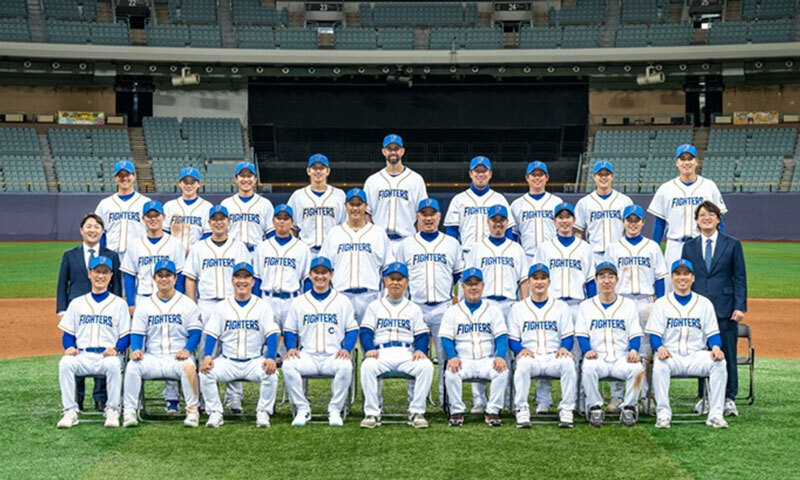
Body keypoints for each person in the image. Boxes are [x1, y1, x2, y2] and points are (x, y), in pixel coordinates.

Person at [681, 200, 747, 417]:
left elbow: (739, 277)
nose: (706, 218)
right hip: (698, 310)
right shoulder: (689, 247)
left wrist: (740, 306)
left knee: (727, 354)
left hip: (725, 309)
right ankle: (705, 396)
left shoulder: (732, 244)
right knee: (703, 355)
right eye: (702, 215)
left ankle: (728, 398)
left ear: (718, 219)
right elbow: (685, 279)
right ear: (697, 221)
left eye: (711, 215)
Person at [183, 205, 251, 413]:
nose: (219, 222)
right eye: (215, 219)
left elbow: (247, 277)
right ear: (209, 223)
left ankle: (234, 397)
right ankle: (206, 398)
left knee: (233, 349)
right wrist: (192, 305)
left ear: (229, 222)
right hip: (207, 302)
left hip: (233, 302)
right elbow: (190, 278)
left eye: (222, 219)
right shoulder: (199, 247)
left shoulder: (239, 247)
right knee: (206, 350)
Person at [395, 198, 464, 404]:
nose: (428, 218)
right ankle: (415, 401)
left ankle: (446, 401)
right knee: (414, 356)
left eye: (432, 214)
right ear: (417, 217)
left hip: (443, 306)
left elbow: (457, 274)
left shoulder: (451, 243)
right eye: (424, 214)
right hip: (415, 307)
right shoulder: (406, 245)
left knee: (445, 357)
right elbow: (399, 276)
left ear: (439, 217)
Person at [647, 259, 729, 429]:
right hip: (671, 355)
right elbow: (654, 335)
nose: (682, 278)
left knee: (720, 363)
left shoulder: (704, 303)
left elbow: (713, 334)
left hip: (696, 356)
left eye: (686, 274)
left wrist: (716, 347)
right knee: (659, 364)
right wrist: (659, 348)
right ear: (672, 278)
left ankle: (715, 414)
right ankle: (663, 414)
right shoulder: (661, 303)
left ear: (693, 278)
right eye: (678, 274)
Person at [122, 259, 202, 428]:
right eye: (160, 275)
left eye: (168, 275)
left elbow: (195, 332)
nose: (164, 279)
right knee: (132, 366)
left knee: (189, 366)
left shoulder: (187, 304)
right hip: (153, 357)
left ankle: (192, 411)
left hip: (178, 356)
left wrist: (188, 349)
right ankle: (129, 411)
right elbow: (137, 333)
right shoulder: (145, 305)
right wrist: (136, 349)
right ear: (154, 278)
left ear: (175, 278)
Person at [464, 204, 528, 413]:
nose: (498, 224)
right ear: (488, 222)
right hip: (484, 303)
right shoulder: (477, 248)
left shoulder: (516, 249)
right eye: (494, 220)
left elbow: (523, 280)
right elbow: (468, 280)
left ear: (507, 223)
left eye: (502, 220)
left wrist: (524, 305)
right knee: (481, 349)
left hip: (509, 303)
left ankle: (506, 398)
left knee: (507, 351)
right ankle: (479, 400)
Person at [199, 262, 280, 428]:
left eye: (246, 277)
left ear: (253, 281)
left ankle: (263, 412)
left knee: (271, 374)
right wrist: (207, 356)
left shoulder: (262, 306)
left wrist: (271, 357)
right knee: (206, 373)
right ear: (232, 280)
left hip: (254, 361)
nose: (242, 281)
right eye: (238, 277)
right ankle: (215, 412)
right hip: (228, 361)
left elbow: (272, 333)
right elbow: (212, 333)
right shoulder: (222, 306)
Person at [604, 204, 668, 412]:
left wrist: (660, 303)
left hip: (646, 302)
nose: (633, 224)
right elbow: (607, 277)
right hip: (620, 301)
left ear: (643, 222)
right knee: (618, 348)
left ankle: (645, 394)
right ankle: (616, 396)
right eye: (629, 220)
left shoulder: (652, 247)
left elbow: (660, 277)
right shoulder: (613, 248)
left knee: (646, 352)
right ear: (623, 222)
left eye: (636, 220)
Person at [533, 202, 596, 413]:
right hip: (551, 305)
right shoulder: (545, 248)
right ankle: (543, 399)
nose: (564, 221)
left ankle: (578, 399)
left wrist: (592, 306)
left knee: (577, 354)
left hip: (578, 304)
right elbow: (537, 278)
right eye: (560, 217)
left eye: (568, 217)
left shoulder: (585, 248)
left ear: (574, 220)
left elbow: (591, 281)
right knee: (546, 350)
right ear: (555, 221)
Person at [56, 213, 122, 412]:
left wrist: (116, 307)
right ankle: (77, 398)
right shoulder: (70, 255)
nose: (92, 230)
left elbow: (116, 284)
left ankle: (101, 398)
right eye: (89, 226)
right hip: (77, 310)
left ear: (102, 231)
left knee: (103, 347)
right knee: (76, 351)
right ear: (81, 230)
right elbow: (62, 283)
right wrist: (62, 309)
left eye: (96, 227)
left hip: (105, 308)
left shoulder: (111, 255)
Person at [282, 257, 358, 427]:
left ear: (331, 275)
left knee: (346, 366)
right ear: (310, 275)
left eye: (324, 272)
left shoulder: (342, 301)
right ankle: (302, 409)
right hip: (307, 355)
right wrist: (291, 347)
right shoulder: (299, 302)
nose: (320, 276)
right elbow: (290, 329)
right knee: (288, 365)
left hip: (333, 355)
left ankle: (335, 410)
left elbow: (352, 329)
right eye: (316, 272)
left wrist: (346, 348)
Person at [57, 256, 130, 429]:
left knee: (113, 364)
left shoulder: (119, 304)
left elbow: (126, 335)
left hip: (107, 356)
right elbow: (68, 333)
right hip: (83, 355)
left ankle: (112, 410)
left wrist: (117, 349)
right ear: (89, 274)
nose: (100, 276)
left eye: (105, 272)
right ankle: (70, 411)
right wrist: (69, 347)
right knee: (65, 363)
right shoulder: (77, 303)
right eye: (97, 271)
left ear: (111, 276)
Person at [359, 262, 434, 429]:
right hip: (381, 353)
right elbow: (365, 331)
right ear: (385, 281)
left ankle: (416, 411)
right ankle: (372, 412)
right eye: (392, 279)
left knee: (426, 366)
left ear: (406, 282)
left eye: (399, 279)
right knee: (367, 366)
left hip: (406, 353)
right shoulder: (374, 306)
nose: (395, 283)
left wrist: (420, 350)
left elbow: (422, 334)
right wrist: (369, 348)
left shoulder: (413, 308)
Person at [506, 263, 576, 428]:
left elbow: (568, 336)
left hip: (553, 356)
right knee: (522, 365)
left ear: (549, 282)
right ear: (529, 282)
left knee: (568, 364)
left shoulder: (561, 307)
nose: (539, 282)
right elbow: (513, 338)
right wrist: (520, 350)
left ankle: (567, 409)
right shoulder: (518, 308)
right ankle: (522, 409)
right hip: (531, 357)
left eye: (543, 278)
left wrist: (565, 347)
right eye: (535, 278)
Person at [648, 144, 727, 289]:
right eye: (682, 159)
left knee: (703, 287)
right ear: (677, 162)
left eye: (690, 158)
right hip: (675, 245)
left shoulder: (709, 186)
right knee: (671, 288)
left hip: (701, 243)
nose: (686, 162)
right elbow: (659, 223)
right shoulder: (666, 189)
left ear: (696, 161)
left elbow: (719, 221)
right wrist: (654, 250)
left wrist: (721, 246)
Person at [576, 262, 644, 427]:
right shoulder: (586, 306)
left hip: (622, 357)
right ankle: (594, 407)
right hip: (598, 356)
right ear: (596, 280)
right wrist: (587, 350)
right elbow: (581, 334)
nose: (606, 281)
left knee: (637, 369)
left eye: (610, 277)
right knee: (588, 367)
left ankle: (629, 407)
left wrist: (634, 350)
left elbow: (635, 333)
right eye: (602, 277)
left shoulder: (628, 305)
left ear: (617, 280)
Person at [440, 268, 509, 427]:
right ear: (462, 287)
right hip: (463, 360)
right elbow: (446, 338)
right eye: (469, 284)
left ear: (483, 286)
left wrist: (500, 356)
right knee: (451, 372)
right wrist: (452, 356)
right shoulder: (452, 311)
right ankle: (457, 411)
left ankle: (493, 411)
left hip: (487, 359)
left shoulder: (493, 310)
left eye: (476, 284)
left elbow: (501, 336)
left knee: (502, 371)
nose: (473, 287)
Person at [319, 188, 394, 324]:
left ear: (365, 206)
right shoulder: (334, 233)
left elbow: (387, 268)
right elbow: (324, 266)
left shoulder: (378, 233)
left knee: (370, 335)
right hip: (341, 295)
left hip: (370, 296)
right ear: (345, 206)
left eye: (359, 204)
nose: (355, 208)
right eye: (352, 204)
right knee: (340, 336)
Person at [363, 134, 428, 256]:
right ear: (384, 151)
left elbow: (422, 213)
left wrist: (419, 241)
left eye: (396, 148)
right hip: (381, 241)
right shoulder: (372, 181)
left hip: (407, 240)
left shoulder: (416, 179)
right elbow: (366, 214)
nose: (393, 152)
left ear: (402, 151)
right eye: (389, 149)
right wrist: (372, 237)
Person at [252, 204, 312, 330]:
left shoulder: (302, 248)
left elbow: (307, 279)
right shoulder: (262, 247)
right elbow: (256, 279)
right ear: (273, 221)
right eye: (279, 218)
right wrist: (256, 303)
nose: (282, 221)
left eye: (286, 218)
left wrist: (307, 304)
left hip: (292, 300)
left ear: (292, 222)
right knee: (267, 338)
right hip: (267, 299)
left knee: (293, 338)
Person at [444, 156, 515, 255]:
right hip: (466, 253)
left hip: (493, 255)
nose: (481, 174)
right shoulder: (459, 199)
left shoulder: (499, 199)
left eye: (484, 171)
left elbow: (508, 231)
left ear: (490, 174)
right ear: (470, 173)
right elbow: (451, 232)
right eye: (477, 171)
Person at [287, 154, 346, 257]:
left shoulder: (339, 195)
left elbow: (345, 226)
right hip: (306, 251)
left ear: (328, 171)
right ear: (308, 171)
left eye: (322, 168)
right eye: (314, 168)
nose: (318, 171)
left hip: (332, 250)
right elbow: (291, 228)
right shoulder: (298, 196)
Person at [575, 160, 633, 266]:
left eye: (607, 174)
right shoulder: (584, 202)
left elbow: (631, 228)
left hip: (620, 253)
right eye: (600, 174)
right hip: (594, 254)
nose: (603, 177)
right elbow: (578, 230)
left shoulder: (625, 201)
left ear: (612, 176)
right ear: (594, 177)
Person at [94, 160, 151, 265]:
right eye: (120, 175)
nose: (124, 178)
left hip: (138, 255)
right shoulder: (105, 204)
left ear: (134, 176)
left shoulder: (145, 202)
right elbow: (99, 232)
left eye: (127, 174)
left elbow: (152, 231)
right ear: (115, 178)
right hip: (111, 255)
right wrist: (102, 254)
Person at [510, 161, 563, 266]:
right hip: (527, 256)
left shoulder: (557, 202)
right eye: (533, 175)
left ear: (547, 177)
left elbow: (562, 231)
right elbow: (513, 235)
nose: (537, 178)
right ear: (527, 178)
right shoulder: (517, 205)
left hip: (552, 255)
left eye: (541, 174)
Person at [221, 161, 274, 252]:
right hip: (232, 252)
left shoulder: (265, 204)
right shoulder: (226, 204)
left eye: (249, 176)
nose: (246, 179)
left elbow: (271, 233)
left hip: (256, 251)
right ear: (236, 179)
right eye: (242, 176)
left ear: (255, 179)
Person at [162, 167, 212, 256]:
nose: (189, 186)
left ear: (198, 184)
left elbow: (208, 234)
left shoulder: (207, 207)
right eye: (185, 182)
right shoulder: (169, 206)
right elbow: (164, 232)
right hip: (172, 254)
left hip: (198, 255)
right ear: (179, 183)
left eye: (192, 182)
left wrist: (196, 250)